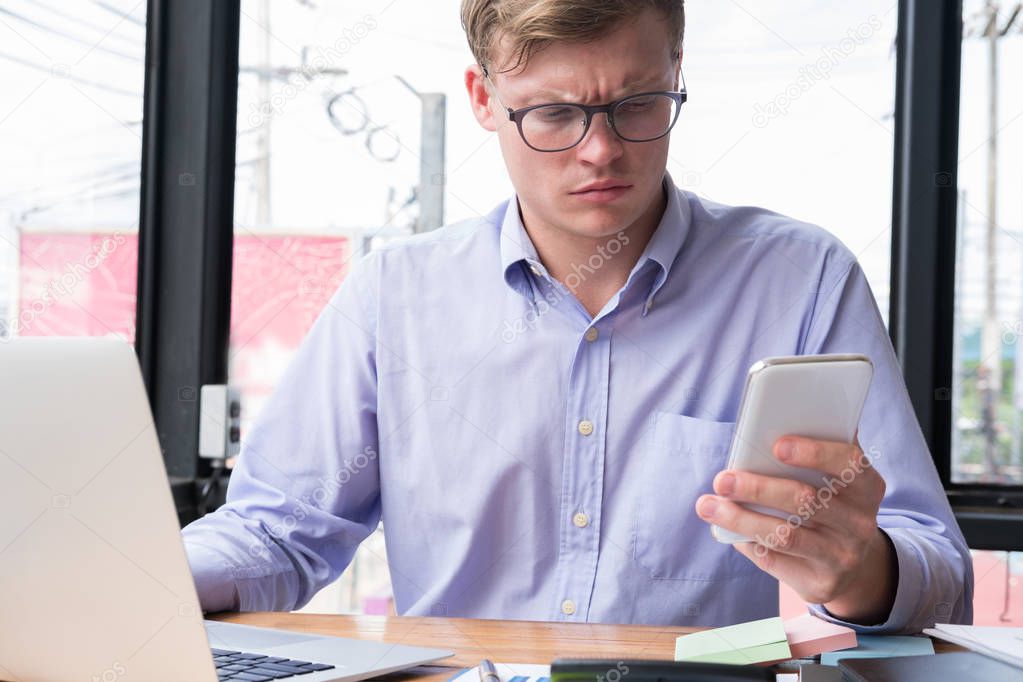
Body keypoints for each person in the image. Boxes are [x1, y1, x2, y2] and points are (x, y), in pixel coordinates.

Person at [182, 0, 973, 631]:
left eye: (636, 104)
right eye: (554, 115)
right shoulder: (393, 296)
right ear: (483, 100)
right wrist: (127, 578)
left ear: (676, 73)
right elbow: (278, 533)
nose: (600, 152)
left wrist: (863, 572)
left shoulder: (799, 279)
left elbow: (938, 567)